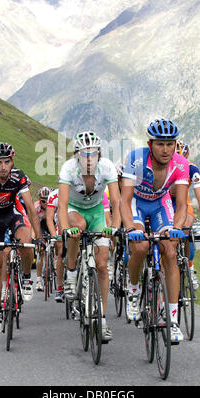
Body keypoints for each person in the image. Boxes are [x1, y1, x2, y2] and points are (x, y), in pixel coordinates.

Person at [120, 119, 189, 342]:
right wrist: (130, 228)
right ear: (150, 144)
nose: (166, 149)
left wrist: (177, 229)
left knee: (170, 250)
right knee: (140, 246)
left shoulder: (180, 164)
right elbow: (124, 199)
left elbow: (181, 204)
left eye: (170, 144)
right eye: (160, 144)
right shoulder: (136, 159)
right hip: (137, 203)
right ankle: (132, 291)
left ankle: (173, 320)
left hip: (161, 204)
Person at [58, 131, 121, 342]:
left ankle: (102, 319)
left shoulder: (107, 167)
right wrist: (66, 229)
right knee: (78, 227)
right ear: (77, 155)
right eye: (84, 154)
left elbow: (116, 202)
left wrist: (115, 227)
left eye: (93, 154)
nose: (89, 159)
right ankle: (71, 272)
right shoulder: (68, 169)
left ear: (99, 155)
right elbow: (63, 203)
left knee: (102, 264)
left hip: (96, 212)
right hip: (74, 210)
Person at [0, 142, 42, 334]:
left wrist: (40, 237)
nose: (3, 167)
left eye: (7, 162)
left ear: (12, 161)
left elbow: (30, 209)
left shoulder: (19, 177)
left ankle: (27, 278)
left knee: (26, 242)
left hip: (14, 215)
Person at [171, 140, 200, 289]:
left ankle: (190, 268)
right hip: (166, 203)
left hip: (184, 205)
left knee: (186, 229)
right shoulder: (162, 166)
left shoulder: (192, 169)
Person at [46, 187, 65, 302]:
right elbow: (49, 218)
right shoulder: (54, 195)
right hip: (60, 225)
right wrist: (54, 235)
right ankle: (60, 287)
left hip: (76, 222)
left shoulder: (77, 191)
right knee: (62, 252)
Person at [33, 186, 51, 291]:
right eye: (43, 201)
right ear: (39, 200)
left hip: (52, 224)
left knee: (59, 245)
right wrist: (35, 239)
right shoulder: (36, 207)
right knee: (40, 250)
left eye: (47, 200)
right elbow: (33, 225)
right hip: (41, 226)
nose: (45, 203)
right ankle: (39, 280)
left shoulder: (55, 205)